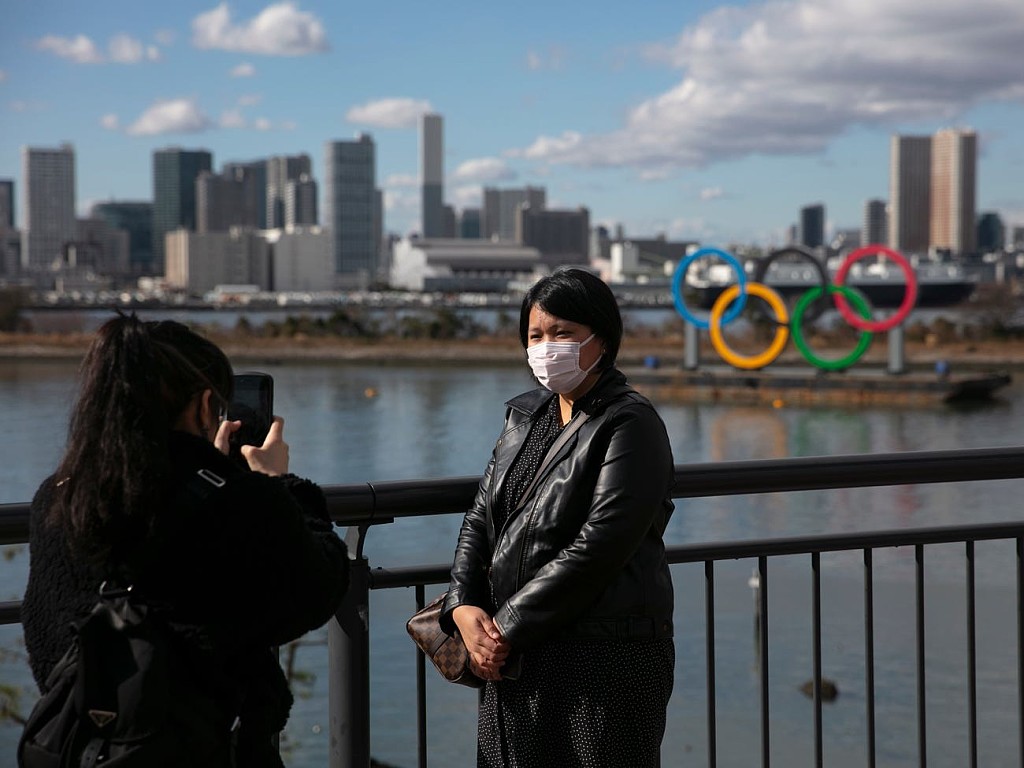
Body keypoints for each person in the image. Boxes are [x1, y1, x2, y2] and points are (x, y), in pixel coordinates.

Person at [21, 314, 350, 767]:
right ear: (204, 406)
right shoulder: (236, 499)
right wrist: (279, 483)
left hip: (84, 746)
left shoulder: (57, 496)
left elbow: (44, 632)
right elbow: (319, 585)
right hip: (199, 749)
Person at [441, 269, 676, 767]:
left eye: (563, 333)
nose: (546, 347)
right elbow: (481, 516)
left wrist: (502, 629)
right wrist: (463, 605)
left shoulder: (629, 423)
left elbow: (601, 545)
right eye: (535, 335)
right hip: (518, 657)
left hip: (603, 660)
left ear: (602, 339)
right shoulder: (526, 417)